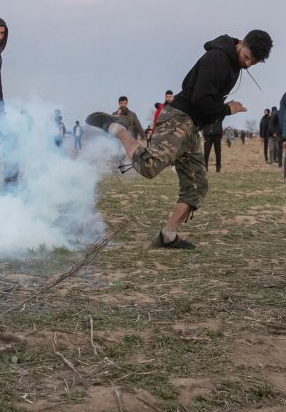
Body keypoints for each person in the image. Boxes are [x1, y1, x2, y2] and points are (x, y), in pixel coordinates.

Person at [87, 30, 272, 249]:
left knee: (197, 185)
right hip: (178, 118)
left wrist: (222, 109)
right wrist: (227, 109)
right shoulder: (218, 58)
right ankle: (119, 129)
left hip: (193, 127)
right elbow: (200, 99)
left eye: (254, 62)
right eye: (247, 57)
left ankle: (168, 235)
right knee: (149, 166)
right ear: (241, 42)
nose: (248, 63)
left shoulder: (230, 62)